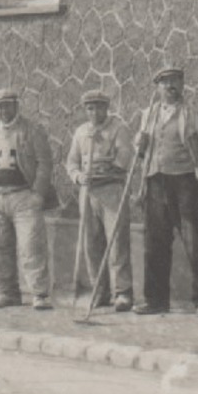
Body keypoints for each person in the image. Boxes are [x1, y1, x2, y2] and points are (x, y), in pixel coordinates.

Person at [133, 67, 198, 318]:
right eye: (165, 82)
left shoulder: (192, 115)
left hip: (185, 183)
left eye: (175, 81)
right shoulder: (148, 115)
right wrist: (140, 146)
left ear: (182, 84)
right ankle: (156, 300)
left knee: (195, 241)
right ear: (157, 87)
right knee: (154, 243)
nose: (170, 86)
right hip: (156, 181)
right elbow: (142, 152)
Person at [0, 88, 58, 310]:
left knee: (31, 246)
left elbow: (44, 162)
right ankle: (8, 293)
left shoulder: (32, 130)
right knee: (0, 248)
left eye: (7, 105)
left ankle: (40, 294)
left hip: (23, 196)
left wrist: (38, 194)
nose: (4, 110)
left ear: (16, 106)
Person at [64, 89, 136, 312]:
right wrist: (77, 176)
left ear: (107, 108)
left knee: (116, 244)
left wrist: (104, 171)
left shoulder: (118, 129)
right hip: (88, 192)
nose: (94, 112)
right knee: (91, 244)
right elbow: (72, 163)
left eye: (99, 107)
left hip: (111, 191)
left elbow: (124, 158)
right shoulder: (81, 132)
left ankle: (122, 293)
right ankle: (99, 291)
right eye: (90, 108)